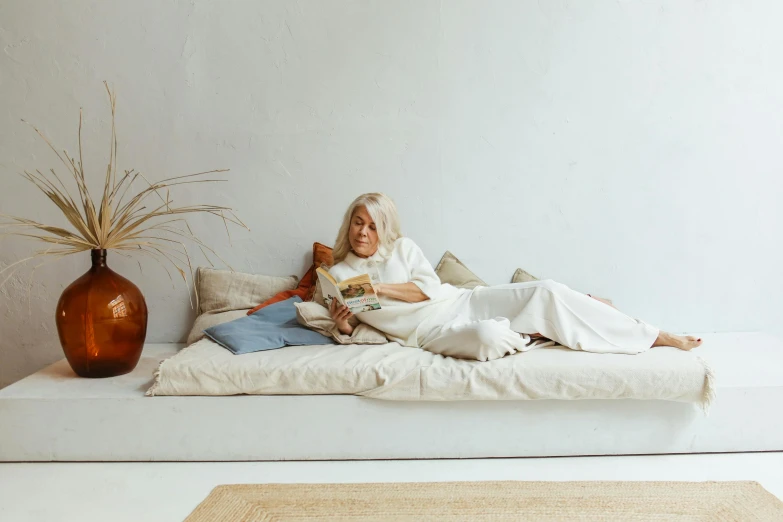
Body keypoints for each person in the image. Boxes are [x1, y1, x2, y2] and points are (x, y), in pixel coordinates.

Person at [328, 192, 703, 362]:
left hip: (460, 301)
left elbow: (425, 291)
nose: (364, 232)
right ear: (349, 225)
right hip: (429, 334)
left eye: (374, 226)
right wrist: (343, 328)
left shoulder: (403, 248)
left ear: (385, 228)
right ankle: (536, 332)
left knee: (548, 290)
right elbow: (370, 320)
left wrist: (379, 287)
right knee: (487, 337)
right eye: (358, 223)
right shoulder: (341, 273)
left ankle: (654, 335)